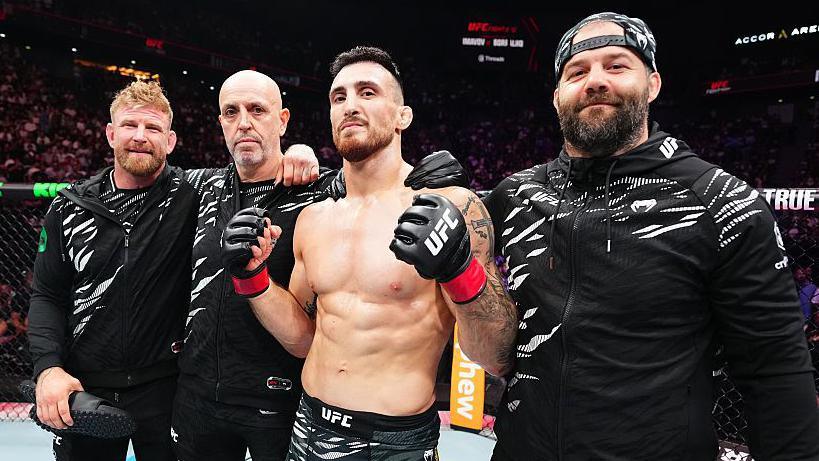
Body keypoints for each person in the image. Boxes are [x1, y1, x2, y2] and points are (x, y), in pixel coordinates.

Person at [483, 12, 819, 460]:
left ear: (653, 84)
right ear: (557, 96)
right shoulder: (517, 194)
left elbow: (775, 375)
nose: (595, 81)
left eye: (617, 66)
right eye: (577, 71)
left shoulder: (722, 202)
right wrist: (442, 189)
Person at [220, 46, 517, 460]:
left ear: (403, 116)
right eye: (339, 97)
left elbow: (496, 357)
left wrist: (459, 268)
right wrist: (252, 279)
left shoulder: (451, 206)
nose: (350, 106)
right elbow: (304, 340)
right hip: (307, 427)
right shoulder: (314, 217)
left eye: (368, 92)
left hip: (394, 441)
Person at [172, 69, 467, 461]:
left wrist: (431, 185)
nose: (244, 122)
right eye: (231, 112)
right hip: (200, 395)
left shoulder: (320, 191)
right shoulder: (199, 187)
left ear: (283, 121)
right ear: (221, 122)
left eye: (257, 109)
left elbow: (373, 178)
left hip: (283, 401)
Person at [28, 80, 197, 461]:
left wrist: (296, 154)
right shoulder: (69, 207)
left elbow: (255, 175)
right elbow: (47, 295)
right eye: (130, 126)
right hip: (86, 387)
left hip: (169, 388)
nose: (140, 137)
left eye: (153, 128)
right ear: (110, 134)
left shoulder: (195, 195)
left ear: (170, 141)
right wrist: (48, 369)